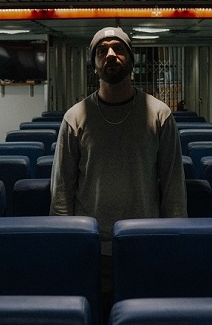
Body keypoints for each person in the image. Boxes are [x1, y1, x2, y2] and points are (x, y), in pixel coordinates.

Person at [50, 26, 188, 322]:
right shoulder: (75, 117)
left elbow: (173, 185)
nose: (110, 54)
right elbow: (62, 189)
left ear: (131, 59)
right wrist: (66, 242)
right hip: (92, 246)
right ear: (94, 65)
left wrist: (173, 240)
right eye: (102, 51)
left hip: (144, 240)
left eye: (118, 48)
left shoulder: (159, 114)